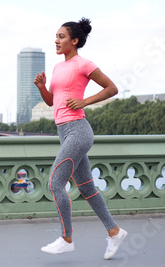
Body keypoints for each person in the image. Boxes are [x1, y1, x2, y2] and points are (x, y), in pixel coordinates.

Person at [33, 17, 127, 260]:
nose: (56, 40)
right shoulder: (58, 67)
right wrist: (42, 87)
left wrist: (84, 101)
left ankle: (66, 239)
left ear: (74, 41)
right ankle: (115, 232)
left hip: (78, 130)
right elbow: (52, 101)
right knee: (87, 188)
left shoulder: (83, 64)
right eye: (56, 36)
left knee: (54, 183)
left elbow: (111, 88)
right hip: (64, 131)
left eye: (61, 36)